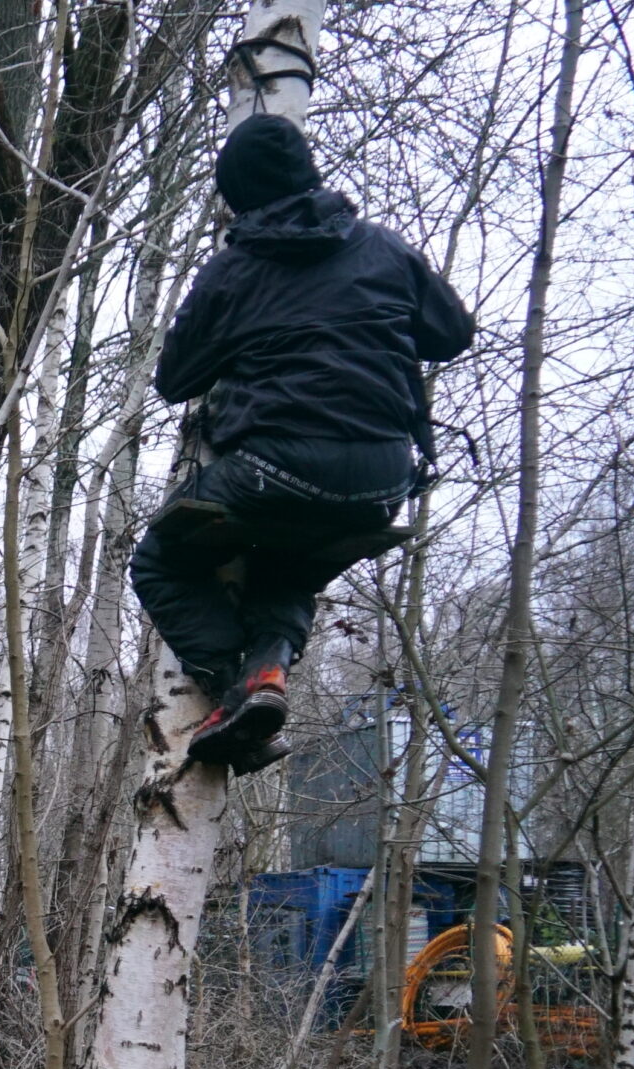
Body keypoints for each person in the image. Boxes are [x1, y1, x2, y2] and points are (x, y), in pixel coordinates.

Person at [130, 114, 475, 772]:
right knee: (285, 571)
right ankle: (265, 681)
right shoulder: (384, 249)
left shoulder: (234, 269)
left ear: (236, 195)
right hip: (380, 478)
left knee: (160, 561)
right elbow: (452, 333)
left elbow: (175, 379)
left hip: (276, 465)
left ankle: (238, 691)